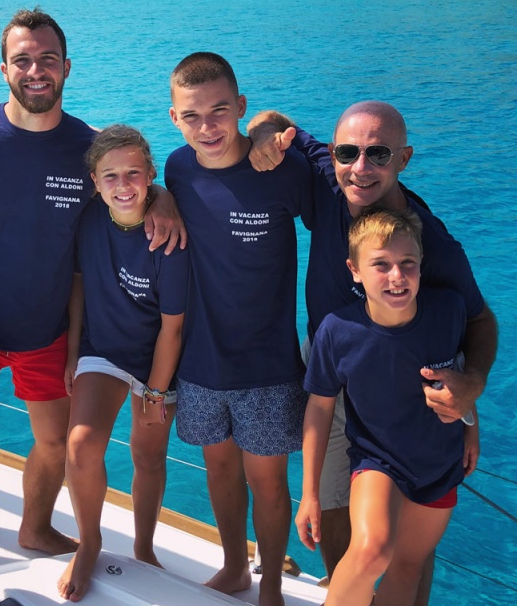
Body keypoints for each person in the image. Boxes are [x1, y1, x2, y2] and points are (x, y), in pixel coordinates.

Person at [0, 9, 183, 606]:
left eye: (47, 59)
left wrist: (162, 196)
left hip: (48, 333)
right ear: (4, 69)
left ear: (66, 68)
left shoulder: (84, 148)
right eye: (23, 60)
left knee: (58, 446)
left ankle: (34, 527)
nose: (36, 71)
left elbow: (126, 182)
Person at [248, 101, 497, 602]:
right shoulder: (330, 177)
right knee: (335, 510)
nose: (360, 167)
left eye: (379, 154)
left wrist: (471, 390)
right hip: (333, 368)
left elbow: (478, 321)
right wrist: (261, 134)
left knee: (410, 542)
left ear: (404, 158)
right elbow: (273, 119)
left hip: (404, 387)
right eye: (349, 152)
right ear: (334, 153)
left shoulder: (433, 247)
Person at [164, 52, 313, 606]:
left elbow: (337, 206)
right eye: (192, 115)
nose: (207, 126)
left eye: (220, 111)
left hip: (268, 365)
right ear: (174, 118)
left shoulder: (280, 169)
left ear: (241, 106)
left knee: (269, 483)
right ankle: (233, 568)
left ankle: (271, 585)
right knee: (220, 470)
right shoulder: (176, 170)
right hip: (200, 361)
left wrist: (273, 127)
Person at [296, 209, 479, 606]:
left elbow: (459, 370)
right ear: (355, 270)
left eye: (407, 263)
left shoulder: (448, 310)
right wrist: (309, 492)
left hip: (440, 462)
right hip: (377, 461)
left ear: (421, 264)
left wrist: (471, 428)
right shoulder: (337, 331)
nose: (397, 276)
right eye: (381, 265)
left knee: (407, 568)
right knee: (371, 551)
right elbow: (320, 410)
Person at [58, 125, 188, 602]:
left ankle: (144, 546)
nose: (122, 184)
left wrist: (155, 391)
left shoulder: (168, 237)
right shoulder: (89, 217)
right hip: (104, 349)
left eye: (134, 173)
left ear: (151, 174)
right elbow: (78, 283)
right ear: (94, 182)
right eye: (110, 175)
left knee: (148, 455)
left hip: (158, 357)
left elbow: (173, 328)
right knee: (80, 446)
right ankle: (89, 542)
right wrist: (73, 351)